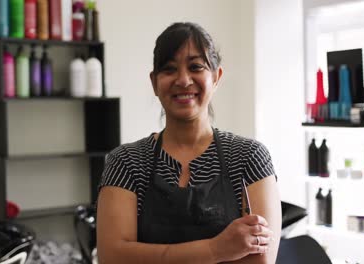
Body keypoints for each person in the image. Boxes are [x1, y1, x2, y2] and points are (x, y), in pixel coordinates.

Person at [97, 22, 281, 264]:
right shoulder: (126, 162)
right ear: (154, 82)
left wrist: (145, 255)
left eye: (196, 67)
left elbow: (259, 261)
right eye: (169, 69)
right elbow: (113, 258)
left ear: (216, 77)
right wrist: (217, 249)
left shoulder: (249, 157)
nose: (183, 80)